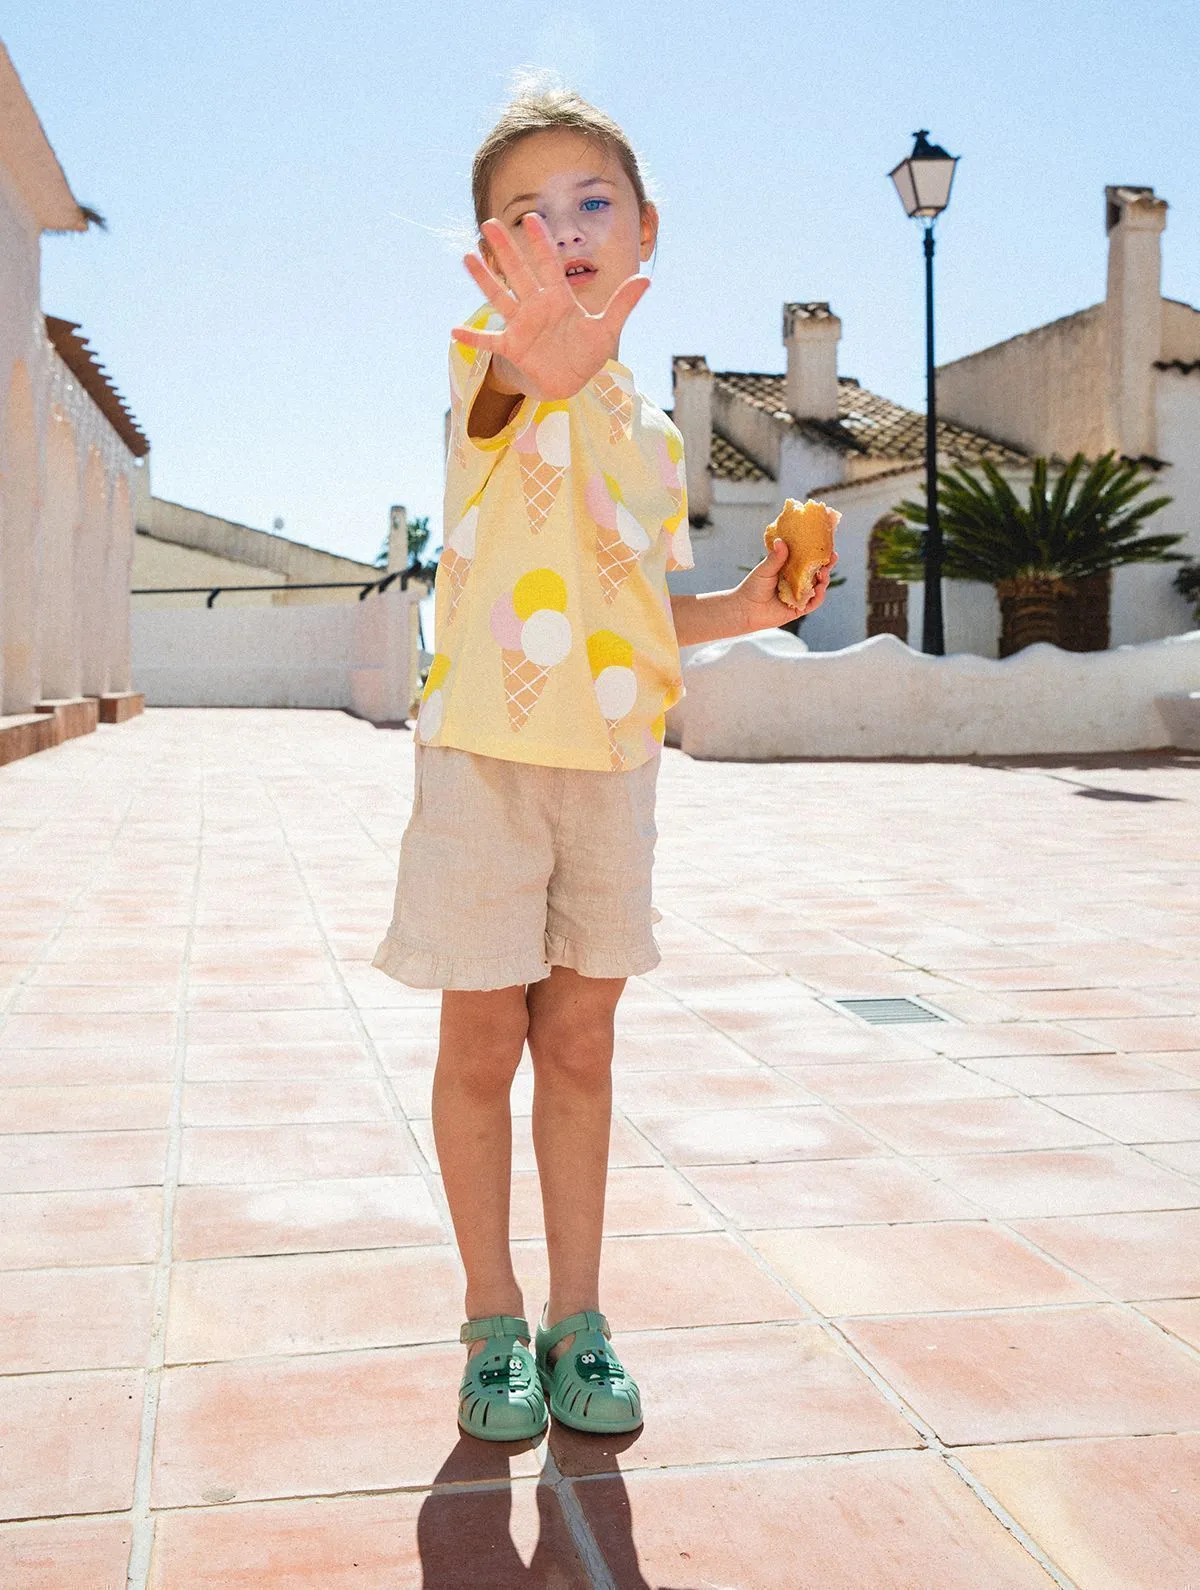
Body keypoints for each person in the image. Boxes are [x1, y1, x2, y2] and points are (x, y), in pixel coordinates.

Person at [373, 84, 835, 1443]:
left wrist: (749, 608)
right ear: (492, 252)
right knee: (481, 1042)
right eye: (526, 215)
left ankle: (579, 1313)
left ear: (645, 229)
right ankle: (492, 1315)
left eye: (590, 203)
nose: (563, 229)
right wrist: (537, 362)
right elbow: (509, 393)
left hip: (613, 762)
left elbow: (631, 611)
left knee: (579, 1041)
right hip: (485, 757)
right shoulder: (489, 359)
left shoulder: (653, 432)